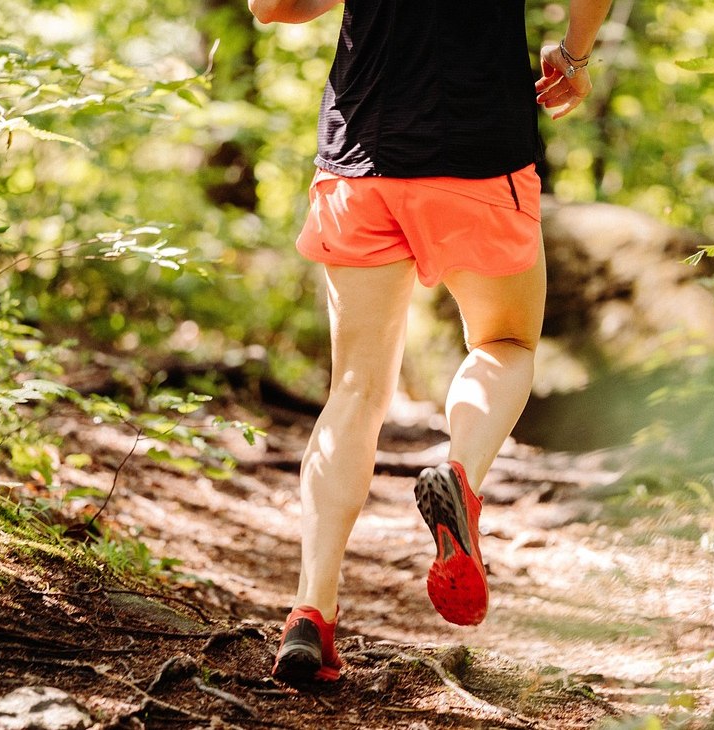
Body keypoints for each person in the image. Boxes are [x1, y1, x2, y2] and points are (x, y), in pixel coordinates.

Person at [247, 0, 613, 683]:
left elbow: (273, 7)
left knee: (355, 390)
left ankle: (310, 612)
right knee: (505, 340)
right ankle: (461, 478)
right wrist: (575, 53)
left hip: (361, 156)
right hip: (483, 154)